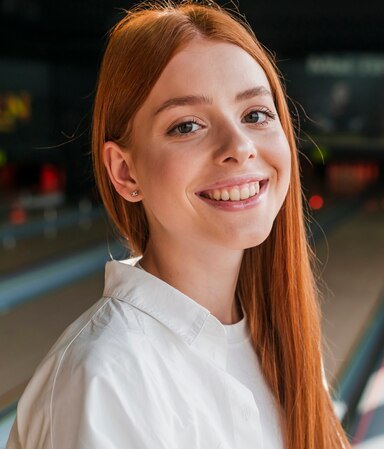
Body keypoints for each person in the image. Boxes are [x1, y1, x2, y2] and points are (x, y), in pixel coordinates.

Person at [7, 1, 351, 448]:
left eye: (255, 115)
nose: (240, 146)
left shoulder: (284, 344)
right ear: (126, 172)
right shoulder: (104, 382)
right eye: (187, 125)